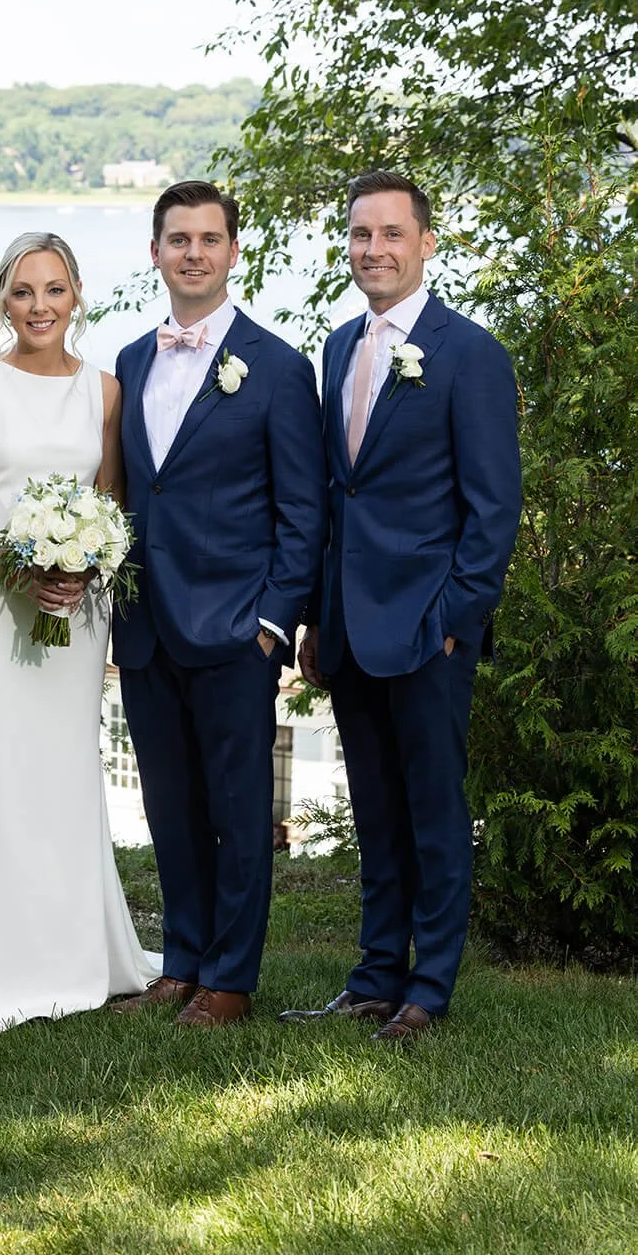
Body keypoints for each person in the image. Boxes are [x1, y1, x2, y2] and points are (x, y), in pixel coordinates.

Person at [282, 170, 522, 1042]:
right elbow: (331, 497)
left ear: (426, 242)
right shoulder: (340, 347)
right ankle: (374, 975)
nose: (372, 250)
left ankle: (429, 989)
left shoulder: (469, 354)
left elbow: (493, 507)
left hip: (428, 628)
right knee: (375, 810)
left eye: (390, 234)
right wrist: (314, 615)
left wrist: (457, 620)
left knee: (431, 810)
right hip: (348, 623)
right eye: (358, 235)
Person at [0, 232, 156, 1046]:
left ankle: (68, 951)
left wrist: (81, 567)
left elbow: (109, 503)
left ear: (77, 294)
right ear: (2, 302)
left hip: (75, 611)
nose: (38, 306)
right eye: (21, 292)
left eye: (53, 290)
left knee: (59, 766)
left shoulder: (106, 393)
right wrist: (15, 565)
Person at [112, 181, 327, 1027]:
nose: (192, 252)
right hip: (145, 627)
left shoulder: (275, 366)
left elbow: (301, 511)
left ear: (233, 252)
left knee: (239, 813)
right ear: (156, 253)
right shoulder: (131, 361)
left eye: (208, 238)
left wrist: (274, 624)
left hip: (238, 630)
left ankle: (230, 980)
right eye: (177, 239)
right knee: (170, 808)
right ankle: (184, 961)